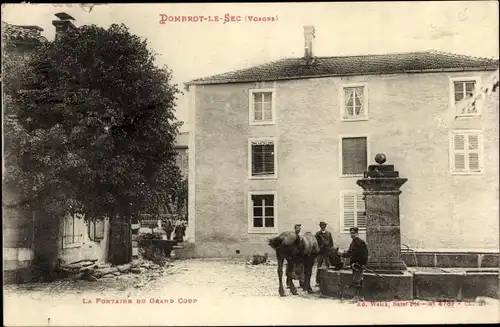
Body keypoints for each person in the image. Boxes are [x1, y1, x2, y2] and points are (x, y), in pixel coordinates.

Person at [341, 227, 369, 301]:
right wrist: (343, 254)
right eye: (351, 233)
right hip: (354, 265)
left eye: (353, 233)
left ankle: (356, 297)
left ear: (357, 233)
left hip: (358, 264)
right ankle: (361, 297)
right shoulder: (353, 242)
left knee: (356, 280)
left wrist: (363, 263)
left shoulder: (360, 242)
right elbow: (350, 253)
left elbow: (365, 254)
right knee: (359, 280)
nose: (352, 235)